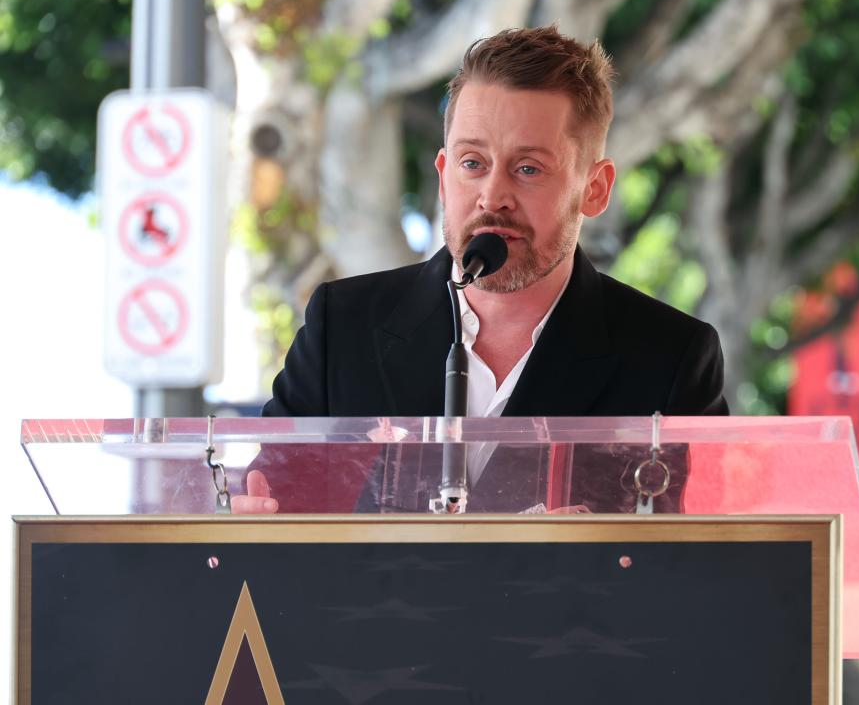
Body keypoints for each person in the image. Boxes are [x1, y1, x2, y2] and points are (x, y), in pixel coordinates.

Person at [241, 26, 727, 513]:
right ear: (443, 176)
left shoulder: (671, 359)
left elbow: (697, 566)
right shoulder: (342, 326)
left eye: (529, 169)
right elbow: (264, 509)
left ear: (595, 190)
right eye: (472, 163)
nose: (493, 196)